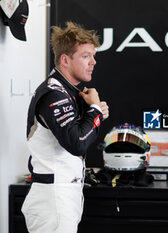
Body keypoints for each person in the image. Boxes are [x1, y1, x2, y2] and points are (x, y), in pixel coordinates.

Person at [21, 21, 109, 233]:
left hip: (61, 195)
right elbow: (77, 143)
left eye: (94, 56)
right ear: (65, 60)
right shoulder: (54, 93)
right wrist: (95, 111)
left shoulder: (65, 92)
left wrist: (93, 112)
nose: (93, 62)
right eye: (86, 56)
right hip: (53, 197)